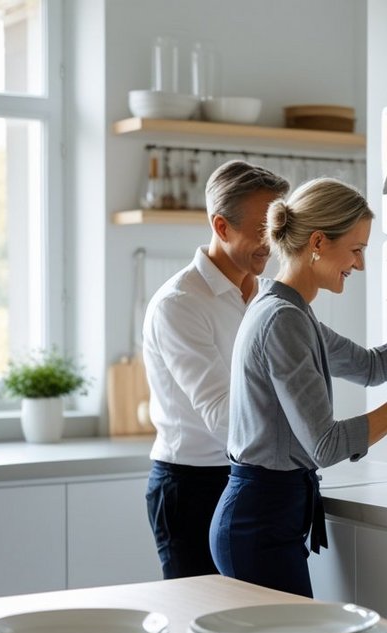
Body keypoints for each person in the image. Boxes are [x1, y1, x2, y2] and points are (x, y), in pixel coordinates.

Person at [210, 177, 387, 597]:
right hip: (259, 523)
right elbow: (326, 445)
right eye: (357, 250)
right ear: (319, 242)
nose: (359, 265)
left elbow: (372, 366)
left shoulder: (287, 309)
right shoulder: (283, 320)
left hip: (269, 516)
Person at [142, 160, 290, 579]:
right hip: (191, 486)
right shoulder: (180, 304)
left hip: (250, 477)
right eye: (262, 230)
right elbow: (224, 418)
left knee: (259, 627)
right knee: (201, 625)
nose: (271, 243)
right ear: (221, 227)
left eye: (277, 229)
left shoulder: (265, 295)